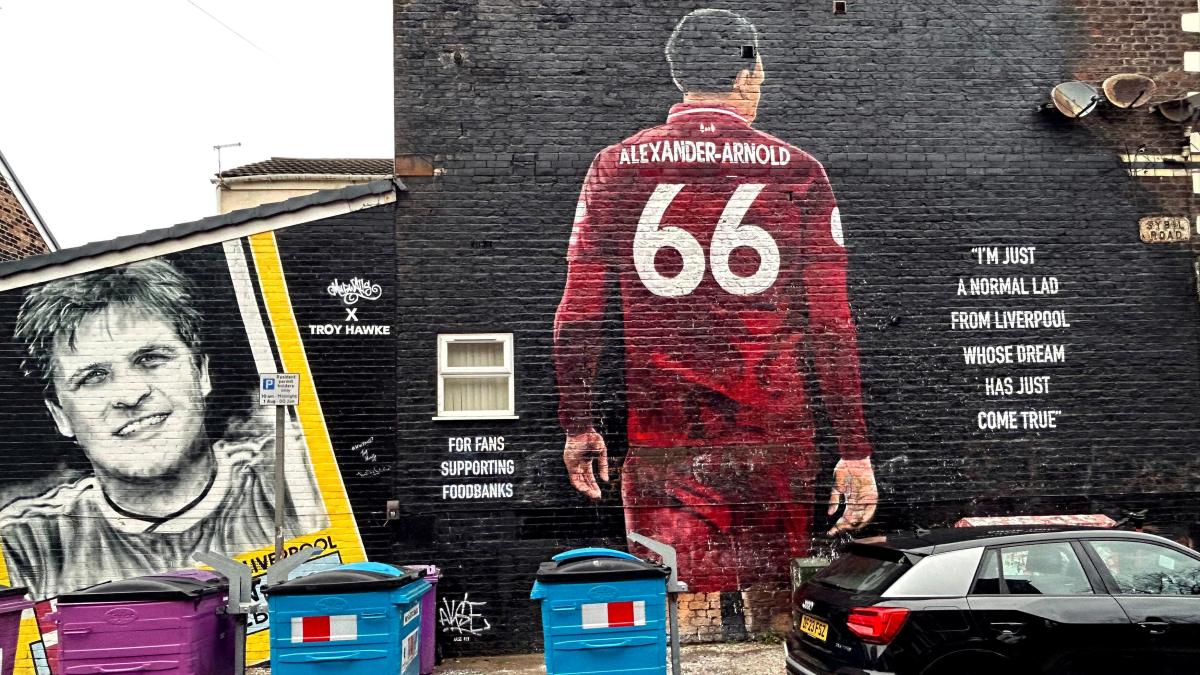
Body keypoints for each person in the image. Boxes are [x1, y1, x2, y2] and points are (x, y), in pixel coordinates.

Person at [553, 8, 878, 615]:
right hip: (776, 435)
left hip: (663, 436)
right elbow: (832, 324)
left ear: (680, 75)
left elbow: (580, 313)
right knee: (779, 606)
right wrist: (854, 449)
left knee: (673, 607)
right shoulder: (801, 170)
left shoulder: (614, 165)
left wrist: (578, 423)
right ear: (748, 74)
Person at [0, 258, 325, 599]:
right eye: (93, 377)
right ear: (60, 416)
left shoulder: (300, 476)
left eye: (151, 359)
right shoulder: (24, 546)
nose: (130, 394)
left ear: (201, 373)